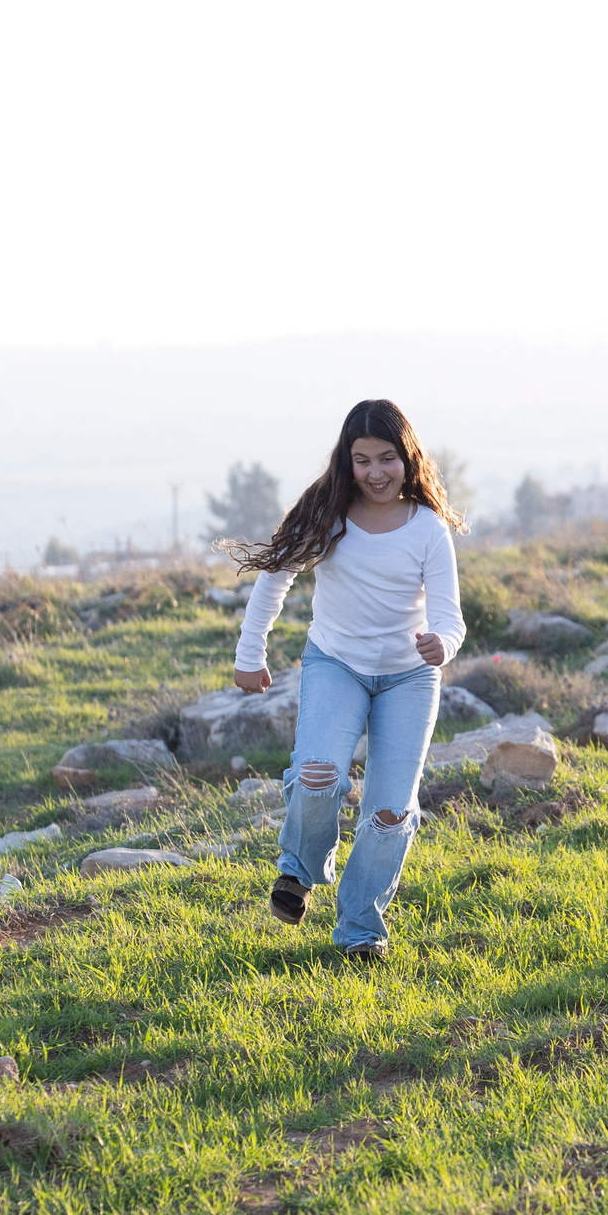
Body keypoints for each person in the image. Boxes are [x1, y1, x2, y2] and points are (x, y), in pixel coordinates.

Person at [228, 399, 464, 963]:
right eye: (362, 460)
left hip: (409, 678)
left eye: (387, 458)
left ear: (408, 459)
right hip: (337, 665)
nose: (376, 472)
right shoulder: (328, 515)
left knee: (389, 813)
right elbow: (274, 578)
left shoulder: (428, 529)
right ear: (346, 461)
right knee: (318, 775)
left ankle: (361, 931)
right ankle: (299, 870)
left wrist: (443, 643)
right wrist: (249, 652)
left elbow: (450, 616)